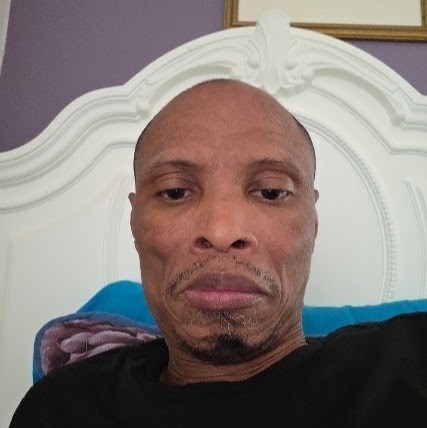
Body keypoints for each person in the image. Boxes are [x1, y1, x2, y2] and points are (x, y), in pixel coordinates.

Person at [10, 80, 426, 427]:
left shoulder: (410, 366)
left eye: (270, 192)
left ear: (312, 223)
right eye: (175, 191)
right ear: (135, 223)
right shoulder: (61, 407)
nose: (221, 232)